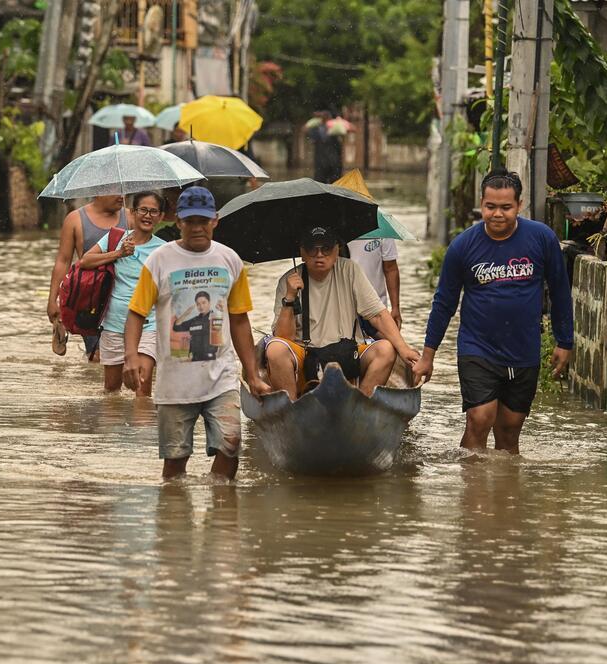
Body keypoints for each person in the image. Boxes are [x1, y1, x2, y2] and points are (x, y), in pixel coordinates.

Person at [412, 170, 574, 454]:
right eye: (490, 207)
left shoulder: (542, 239)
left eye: (505, 207)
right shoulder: (463, 246)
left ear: (519, 205)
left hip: (523, 349)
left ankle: (504, 495)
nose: (497, 214)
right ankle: (472, 492)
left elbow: (560, 290)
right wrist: (428, 355)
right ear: (481, 204)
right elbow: (444, 303)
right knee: (480, 418)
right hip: (478, 347)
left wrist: (564, 341)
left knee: (510, 430)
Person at [123, 186, 271, 480]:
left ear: (215, 220)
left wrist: (252, 375)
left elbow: (239, 320)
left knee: (230, 446)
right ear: (178, 221)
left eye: (203, 221)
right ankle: (177, 516)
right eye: (190, 221)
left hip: (221, 378)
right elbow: (137, 313)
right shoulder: (160, 261)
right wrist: (131, 357)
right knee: (175, 466)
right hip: (175, 384)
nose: (197, 228)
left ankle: (220, 509)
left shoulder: (230, 260)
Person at [265, 226, 419, 400]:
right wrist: (290, 298)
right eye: (312, 249)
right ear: (302, 252)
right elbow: (284, 338)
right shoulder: (289, 281)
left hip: (348, 352)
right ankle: (290, 413)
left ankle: (359, 405)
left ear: (337, 249)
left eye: (326, 248)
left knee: (386, 349)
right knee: (275, 349)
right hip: (305, 354)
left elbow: (377, 315)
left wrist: (403, 348)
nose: (319, 255)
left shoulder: (350, 271)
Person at [77, 190, 167, 394]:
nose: (147, 216)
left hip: (149, 324)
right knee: (111, 390)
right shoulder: (115, 237)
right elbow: (85, 261)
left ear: (161, 217)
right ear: (132, 213)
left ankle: (142, 425)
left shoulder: (164, 250)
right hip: (114, 323)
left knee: (143, 389)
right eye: (143, 210)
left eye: (154, 212)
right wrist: (118, 253)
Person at [47, 195, 129, 361]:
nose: (122, 195)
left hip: (124, 296)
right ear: (100, 191)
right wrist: (52, 300)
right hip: (90, 299)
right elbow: (63, 261)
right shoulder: (75, 219)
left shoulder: (130, 217)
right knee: (98, 357)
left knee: (126, 355)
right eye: (115, 190)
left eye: (122, 190)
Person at [348, 236, 402, 336]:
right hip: (346, 309)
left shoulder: (382, 229)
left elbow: (391, 268)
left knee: (391, 346)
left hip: (377, 309)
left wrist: (395, 307)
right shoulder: (338, 229)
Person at [172, 290, 219, 362]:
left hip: (210, 360)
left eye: (204, 303)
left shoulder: (215, 317)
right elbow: (176, 327)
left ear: (209, 303)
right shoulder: (194, 320)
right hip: (194, 359)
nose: (201, 306)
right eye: (198, 304)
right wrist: (186, 313)